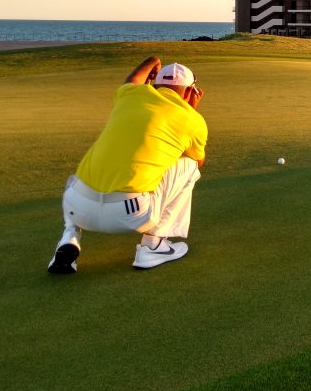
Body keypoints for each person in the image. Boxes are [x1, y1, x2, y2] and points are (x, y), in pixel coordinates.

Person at [47, 56, 208, 274]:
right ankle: (153, 246)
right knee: (189, 166)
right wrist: (191, 111)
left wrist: (152, 61)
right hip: (130, 214)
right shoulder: (193, 120)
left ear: (155, 85)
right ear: (190, 92)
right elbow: (198, 161)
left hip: (80, 209)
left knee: (77, 181)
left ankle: (70, 237)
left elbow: (132, 80)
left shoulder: (129, 95)